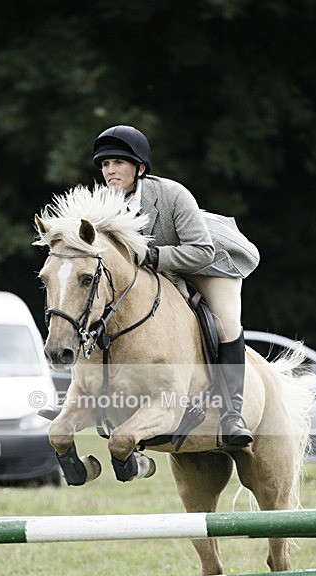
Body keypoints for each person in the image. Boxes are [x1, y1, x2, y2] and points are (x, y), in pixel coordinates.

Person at [92, 124, 258, 448]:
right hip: (155, 274)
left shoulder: (172, 194)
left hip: (209, 263)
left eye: (118, 163)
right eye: (105, 164)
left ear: (139, 168)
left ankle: (232, 413)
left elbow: (201, 250)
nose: (110, 170)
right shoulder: (102, 204)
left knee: (226, 323)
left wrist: (154, 256)